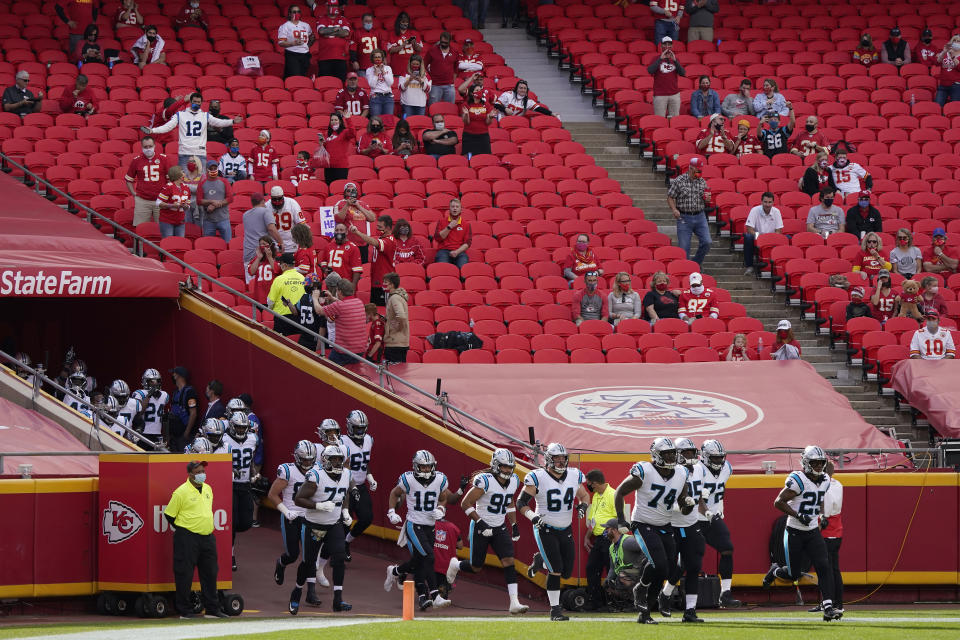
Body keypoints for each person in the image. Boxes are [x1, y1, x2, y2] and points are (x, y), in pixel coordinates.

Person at [614, 438, 694, 624]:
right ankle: (641, 592)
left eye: (672, 453)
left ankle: (644, 609)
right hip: (643, 523)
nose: (670, 457)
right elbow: (619, 492)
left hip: (665, 525)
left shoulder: (681, 473)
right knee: (658, 565)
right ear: (656, 455)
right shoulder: (645, 471)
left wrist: (688, 504)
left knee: (664, 570)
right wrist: (620, 519)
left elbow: (683, 506)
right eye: (666, 453)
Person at [762, 446, 842, 621]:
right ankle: (775, 571)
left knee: (823, 566)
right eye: (815, 462)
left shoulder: (825, 480)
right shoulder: (798, 479)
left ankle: (828, 607)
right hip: (794, 532)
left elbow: (819, 497)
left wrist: (820, 515)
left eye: (821, 463)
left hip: (812, 531)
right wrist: (798, 515)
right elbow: (778, 502)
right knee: (794, 574)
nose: (819, 466)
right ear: (806, 462)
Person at [446, 448, 528, 615]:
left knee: (509, 561)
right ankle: (455, 565)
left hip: (499, 527)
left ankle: (514, 602)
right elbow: (465, 504)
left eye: (509, 467)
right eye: (504, 466)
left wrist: (514, 524)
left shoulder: (513, 481)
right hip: (480, 527)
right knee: (476, 567)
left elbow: (509, 502)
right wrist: (481, 523)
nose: (507, 470)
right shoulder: (485, 480)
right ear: (496, 465)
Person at [519, 443, 590, 621]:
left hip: (565, 528)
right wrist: (533, 517)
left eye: (563, 458)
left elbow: (585, 496)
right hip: (545, 528)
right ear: (549, 459)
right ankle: (555, 611)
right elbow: (521, 503)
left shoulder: (574, 475)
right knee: (556, 570)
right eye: (557, 458)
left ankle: (541, 561)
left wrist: (582, 506)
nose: (560, 461)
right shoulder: (538, 477)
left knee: (567, 572)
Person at [384, 450, 455, 610]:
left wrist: (441, 509)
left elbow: (443, 498)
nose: (426, 470)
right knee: (429, 557)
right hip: (413, 524)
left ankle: (395, 571)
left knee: (418, 562)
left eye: (429, 467)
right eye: (423, 467)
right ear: (416, 466)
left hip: (430, 525)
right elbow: (394, 493)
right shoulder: (408, 479)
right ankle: (435, 595)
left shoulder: (440, 479)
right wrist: (391, 512)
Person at [289, 444, 353, 614]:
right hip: (315, 526)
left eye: (340, 459)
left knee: (339, 558)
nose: (338, 462)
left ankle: (337, 600)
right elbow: (298, 499)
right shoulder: (315, 475)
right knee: (308, 563)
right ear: (325, 460)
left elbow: (344, 493)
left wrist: (345, 510)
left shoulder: (346, 474)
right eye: (334, 459)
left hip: (334, 524)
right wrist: (318, 505)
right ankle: (296, 591)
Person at [164, 460, 227, 618]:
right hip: (187, 537)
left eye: (203, 471)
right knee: (184, 574)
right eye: (198, 472)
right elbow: (169, 515)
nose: (202, 474)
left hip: (207, 536)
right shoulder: (181, 492)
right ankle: (184, 610)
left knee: (210, 573)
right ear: (190, 474)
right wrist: (185, 528)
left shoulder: (208, 489)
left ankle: (212, 609)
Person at [658, 438, 707, 623]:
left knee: (693, 565)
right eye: (685, 453)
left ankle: (690, 611)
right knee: (668, 565)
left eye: (691, 452)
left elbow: (699, 494)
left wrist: (705, 509)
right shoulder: (671, 472)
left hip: (692, 523)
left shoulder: (700, 469)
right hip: (671, 523)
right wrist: (681, 507)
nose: (690, 456)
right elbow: (663, 498)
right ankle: (663, 595)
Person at [142, 92, 242, 170]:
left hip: (200, 152)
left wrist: (232, 121)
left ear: (201, 103)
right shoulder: (180, 114)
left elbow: (218, 122)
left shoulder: (204, 115)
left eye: (198, 102)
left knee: (199, 181)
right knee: (185, 180)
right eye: (194, 102)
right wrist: (153, 130)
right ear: (190, 102)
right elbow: (167, 126)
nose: (196, 104)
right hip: (184, 151)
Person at [696, 440, 741, 607]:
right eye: (714, 458)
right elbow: (696, 496)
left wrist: (718, 508)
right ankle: (667, 592)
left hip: (712, 517)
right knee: (687, 562)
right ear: (706, 457)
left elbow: (720, 490)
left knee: (727, 548)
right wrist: (706, 511)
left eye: (720, 457)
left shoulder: (727, 468)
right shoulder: (697, 469)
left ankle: (725, 593)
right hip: (694, 519)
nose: (719, 461)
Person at [269, 440, 317, 587]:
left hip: (310, 518)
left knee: (310, 556)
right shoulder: (287, 470)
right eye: (304, 459)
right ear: (297, 457)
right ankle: (281, 563)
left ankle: (311, 591)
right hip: (292, 517)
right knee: (293, 555)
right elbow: (272, 494)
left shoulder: (319, 470)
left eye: (310, 459)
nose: (308, 462)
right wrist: (286, 511)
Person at [215, 413, 258, 572]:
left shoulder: (253, 439)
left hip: (245, 484)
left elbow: (251, 459)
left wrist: (254, 473)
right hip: (229, 485)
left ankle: (225, 544)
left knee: (246, 522)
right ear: (232, 426)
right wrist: (231, 470)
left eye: (243, 427)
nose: (241, 430)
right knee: (231, 523)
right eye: (238, 426)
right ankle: (229, 554)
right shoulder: (224, 440)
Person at [582, 469, 618, 610]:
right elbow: (593, 519)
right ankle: (596, 603)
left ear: (595, 483)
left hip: (609, 538)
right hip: (598, 538)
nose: (589, 487)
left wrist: (609, 532)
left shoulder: (613, 494)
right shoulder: (596, 495)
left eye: (590, 484)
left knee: (611, 570)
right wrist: (587, 537)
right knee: (592, 568)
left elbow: (618, 518)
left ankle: (614, 603)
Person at [812, 461, 844, 615]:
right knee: (834, 570)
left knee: (826, 571)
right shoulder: (838, 484)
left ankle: (829, 602)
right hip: (837, 531)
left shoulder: (825, 487)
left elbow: (826, 511)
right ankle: (835, 603)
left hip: (826, 532)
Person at [667, 157, 712, 265]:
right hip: (684, 217)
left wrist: (708, 198)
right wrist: (674, 209)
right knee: (684, 248)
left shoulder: (702, 181)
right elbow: (670, 197)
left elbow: (706, 197)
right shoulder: (679, 180)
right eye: (697, 171)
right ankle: (687, 269)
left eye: (700, 171)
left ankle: (695, 264)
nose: (699, 173)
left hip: (700, 216)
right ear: (691, 168)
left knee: (707, 242)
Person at [313, 280, 367, 365]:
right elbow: (345, 306)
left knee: (329, 368)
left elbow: (319, 311)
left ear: (340, 291)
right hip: (360, 350)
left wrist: (315, 298)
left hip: (344, 351)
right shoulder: (359, 302)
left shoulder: (339, 306)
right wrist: (333, 299)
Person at [350, 215, 397, 305]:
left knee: (384, 311)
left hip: (385, 283)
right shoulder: (382, 238)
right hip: (377, 281)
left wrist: (358, 233)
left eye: (380, 227)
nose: (377, 229)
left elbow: (374, 243)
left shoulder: (390, 240)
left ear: (387, 228)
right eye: (377, 226)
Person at [126, 136, 171, 226]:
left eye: (150, 146)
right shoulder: (136, 160)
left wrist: (167, 196)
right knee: (141, 228)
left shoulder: (164, 159)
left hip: (160, 200)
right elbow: (128, 179)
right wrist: (134, 194)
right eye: (145, 147)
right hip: (142, 200)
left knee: (163, 227)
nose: (148, 149)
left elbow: (170, 180)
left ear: (154, 146)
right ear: (142, 147)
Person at [743, 191, 783, 275]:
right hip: (757, 236)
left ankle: (779, 268)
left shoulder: (777, 212)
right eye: (765, 202)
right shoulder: (754, 210)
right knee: (747, 237)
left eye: (770, 202)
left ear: (773, 202)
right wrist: (760, 237)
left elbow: (779, 230)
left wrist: (773, 238)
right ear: (761, 202)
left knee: (788, 239)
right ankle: (749, 266)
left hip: (772, 237)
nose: (767, 204)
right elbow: (749, 228)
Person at [267, 253, 307, 337]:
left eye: (280, 263)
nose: (279, 265)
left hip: (282, 318)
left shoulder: (279, 279)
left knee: (281, 346)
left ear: (284, 265)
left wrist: (271, 309)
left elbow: (270, 301)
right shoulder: (303, 278)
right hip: (299, 317)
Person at [648, 38, 685, 118]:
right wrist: (660, 58)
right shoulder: (655, 59)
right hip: (660, 95)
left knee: (675, 120)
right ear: (661, 46)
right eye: (665, 44)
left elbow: (683, 73)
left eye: (669, 45)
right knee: (660, 120)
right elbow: (650, 71)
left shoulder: (676, 59)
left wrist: (675, 60)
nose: (667, 47)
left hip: (674, 94)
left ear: (672, 46)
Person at [315, 0, 350, 81]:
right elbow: (322, 31)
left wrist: (329, 32)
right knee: (325, 83)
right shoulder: (321, 19)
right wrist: (337, 29)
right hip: (325, 57)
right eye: (330, 6)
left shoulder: (343, 19)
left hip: (340, 57)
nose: (332, 8)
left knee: (340, 83)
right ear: (327, 7)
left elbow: (346, 33)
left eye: (334, 6)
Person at [242, 194, 282, 267]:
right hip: (262, 254)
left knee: (250, 278)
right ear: (263, 201)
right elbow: (271, 229)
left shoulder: (245, 214)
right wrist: (281, 243)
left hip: (248, 254)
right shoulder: (265, 211)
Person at [197, 162, 233, 241]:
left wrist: (216, 205)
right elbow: (198, 201)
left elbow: (230, 198)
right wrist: (212, 201)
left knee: (228, 244)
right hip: (208, 220)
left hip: (223, 219)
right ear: (207, 170)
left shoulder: (224, 181)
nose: (213, 171)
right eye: (211, 169)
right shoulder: (202, 183)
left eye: (215, 168)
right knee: (208, 246)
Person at [288, 273, 325, 350]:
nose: (305, 286)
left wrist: (319, 343)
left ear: (314, 285)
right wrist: (289, 304)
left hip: (315, 336)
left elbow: (323, 322)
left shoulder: (322, 298)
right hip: (304, 335)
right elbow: (295, 312)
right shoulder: (304, 297)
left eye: (307, 284)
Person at [168, 366, 199, 453]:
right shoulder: (175, 392)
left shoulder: (189, 392)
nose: (173, 376)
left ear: (179, 376)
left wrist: (186, 433)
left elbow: (193, 414)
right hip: (174, 435)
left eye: (174, 374)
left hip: (184, 435)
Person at [278, 5, 314, 78]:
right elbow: (281, 42)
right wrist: (293, 43)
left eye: (298, 12)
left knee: (303, 75)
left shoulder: (306, 25)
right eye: (294, 12)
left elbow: (312, 36)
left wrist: (308, 46)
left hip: (305, 54)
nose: (296, 13)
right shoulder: (285, 26)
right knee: (296, 76)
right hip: (292, 54)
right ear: (289, 14)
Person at [433, 200, 471, 268]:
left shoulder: (466, 224)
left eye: (457, 207)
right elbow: (438, 238)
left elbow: (467, 243)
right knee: (442, 267)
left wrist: (457, 252)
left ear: (460, 209)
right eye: (453, 206)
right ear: (449, 209)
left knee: (464, 268)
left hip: (459, 252)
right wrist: (449, 227)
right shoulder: (441, 221)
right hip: (444, 251)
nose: (455, 208)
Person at [320, 113, 356, 185]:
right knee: (330, 187)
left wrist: (348, 119)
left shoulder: (345, 132)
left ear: (340, 121)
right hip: (328, 166)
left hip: (341, 166)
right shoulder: (326, 133)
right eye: (332, 120)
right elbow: (325, 149)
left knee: (340, 188)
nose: (333, 121)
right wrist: (322, 144)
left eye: (336, 120)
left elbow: (353, 133)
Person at [423, 32, 458, 106]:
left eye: (446, 42)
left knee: (450, 108)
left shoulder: (455, 52)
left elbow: (456, 68)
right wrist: (429, 78)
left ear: (450, 41)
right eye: (442, 42)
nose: (444, 44)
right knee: (433, 107)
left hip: (449, 86)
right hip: (435, 85)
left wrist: (452, 82)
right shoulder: (432, 50)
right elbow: (423, 65)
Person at [269, 186, 306, 253]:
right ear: (271, 197)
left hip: (292, 244)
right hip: (274, 246)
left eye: (279, 199)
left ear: (283, 196)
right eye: (274, 199)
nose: (277, 201)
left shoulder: (292, 203)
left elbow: (301, 225)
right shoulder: (267, 206)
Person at [382, 272, 410, 363]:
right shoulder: (399, 297)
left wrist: (396, 328)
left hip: (395, 342)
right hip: (400, 342)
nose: (383, 284)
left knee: (394, 373)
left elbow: (401, 316)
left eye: (386, 282)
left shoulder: (394, 298)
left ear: (392, 284)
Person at [461, 85, 495, 157]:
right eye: (477, 90)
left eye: (480, 90)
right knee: (468, 157)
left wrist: (490, 117)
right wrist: (466, 115)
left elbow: (487, 123)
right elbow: (466, 123)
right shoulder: (466, 104)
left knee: (485, 157)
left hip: (483, 136)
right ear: (471, 93)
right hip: (469, 135)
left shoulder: (486, 104)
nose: (479, 92)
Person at [157, 165, 190, 238]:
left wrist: (185, 206)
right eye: (182, 172)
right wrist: (172, 205)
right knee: (168, 243)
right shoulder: (168, 187)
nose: (184, 173)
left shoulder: (186, 187)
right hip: (167, 220)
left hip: (180, 220)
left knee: (180, 244)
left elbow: (188, 205)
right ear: (177, 174)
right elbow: (158, 203)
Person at [365, 49, 395, 117]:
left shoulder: (388, 68)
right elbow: (372, 85)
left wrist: (383, 72)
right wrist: (376, 73)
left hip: (388, 97)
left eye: (379, 57)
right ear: (372, 59)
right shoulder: (369, 70)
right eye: (375, 57)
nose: (377, 59)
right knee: (376, 120)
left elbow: (390, 83)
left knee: (388, 120)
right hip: (376, 97)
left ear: (382, 58)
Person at [936, 37, 960, 106]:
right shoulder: (945, 53)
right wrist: (944, 52)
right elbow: (937, 62)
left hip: (956, 85)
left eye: (958, 41)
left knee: (954, 107)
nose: (956, 42)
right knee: (938, 105)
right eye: (954, 41)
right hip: (943, 85)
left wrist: (953, 56)